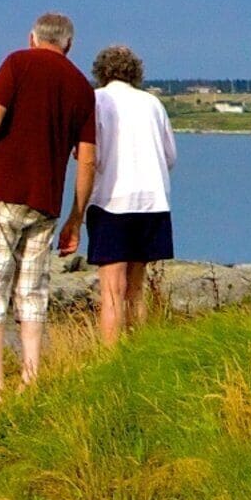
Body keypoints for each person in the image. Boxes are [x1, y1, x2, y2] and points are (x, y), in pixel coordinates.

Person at [0, 12, 95, 399]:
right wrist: (76, 218)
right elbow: (87, 159)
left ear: (33, 37)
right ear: (69, 45)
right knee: (32, 288)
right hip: (46, 201)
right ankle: (31, 376)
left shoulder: (17, 62)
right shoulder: (81, 86)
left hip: (4, 191)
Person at [83, 45, 178, 345]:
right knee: (136, 288)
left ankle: (111, 356)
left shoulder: (97, 101)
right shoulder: (152, 103)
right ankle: (139, 349)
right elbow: (170, 155)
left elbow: (89, 154)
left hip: (112, 200)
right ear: (135, 72)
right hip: (152, 201)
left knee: (112, 290)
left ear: (101, 72)